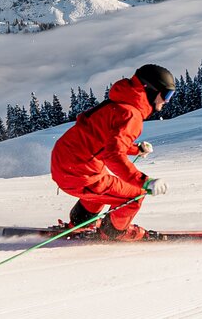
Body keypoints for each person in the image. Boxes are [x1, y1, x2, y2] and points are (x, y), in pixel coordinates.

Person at [49, 64, 176, 240]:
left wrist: (135, 149)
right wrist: (145, 182)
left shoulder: (118, 104)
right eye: (166, 95)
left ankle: (79, 224)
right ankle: (113, 232)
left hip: (65, 161)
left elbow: (103, 139)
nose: (166, 101)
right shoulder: (132, 114)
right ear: (150, 91)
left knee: (103, 190)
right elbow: (113, 155)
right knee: (135, 194)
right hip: (79, 172)